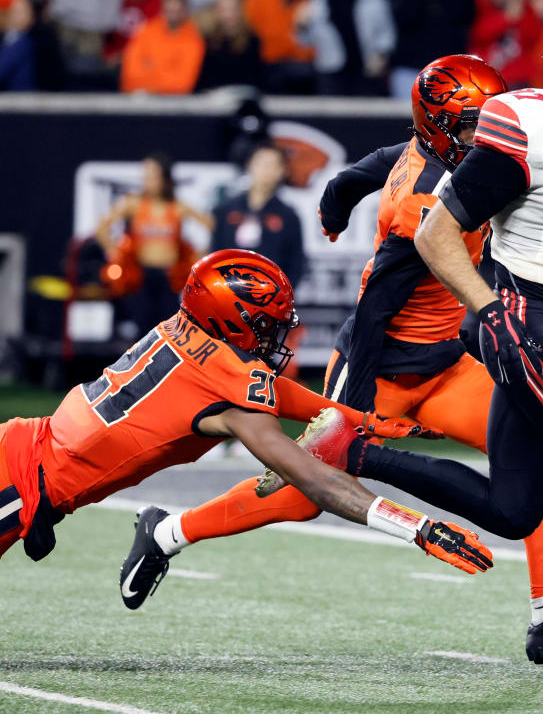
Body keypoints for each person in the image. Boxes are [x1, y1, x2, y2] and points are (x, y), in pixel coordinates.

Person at [139, 54, 543, 664]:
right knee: (309, 489)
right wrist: (353, 414)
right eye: (476, 126)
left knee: (535, 454)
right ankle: (167, 532)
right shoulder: (421, 207)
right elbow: (373, 314)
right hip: (382, 367)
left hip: (444, 363)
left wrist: (337, 199)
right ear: (441, 129)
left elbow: (372, 165)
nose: (492, 134)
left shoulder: (436, 152)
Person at [311, 0, 543, 663]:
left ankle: (356, 455)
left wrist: (335, 198)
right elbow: (424, 243)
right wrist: (487, 309)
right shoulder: (523, 125)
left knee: (515, 505)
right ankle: (186, 527)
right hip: (523, 320)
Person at [0, 249, 493, 601]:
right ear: (235, 321)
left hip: (28, 450)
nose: (278, 333)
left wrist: (360, 418)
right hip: (22, 480)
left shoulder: (187, 330)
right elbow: (315, 480)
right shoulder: (228, 387)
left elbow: (266, 391)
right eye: (268, 323)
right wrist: (419, 528)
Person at [96, 152, 212, 336]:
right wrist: (113, 251)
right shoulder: (133, 204)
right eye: (146, 176)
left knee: (171, 327)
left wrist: (197, 258)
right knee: (142, 325)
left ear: (165, 178)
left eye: (154, 176)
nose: (148, 181)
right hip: (141, 276)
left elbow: (212, 226)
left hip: (169, 277)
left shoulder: (177, 207)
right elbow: (102, 227)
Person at [295, 0, 396, 96]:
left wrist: (381, 56)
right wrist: (301, 25)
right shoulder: (317, 1)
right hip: (331, 73)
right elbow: (305, 42)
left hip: (367, 74)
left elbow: (387, 34)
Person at [210, 143, 306, 290]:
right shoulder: (225, 210)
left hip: (269, 296)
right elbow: (214, 253)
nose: (267, 170)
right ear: (250, 165)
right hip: (226, 293)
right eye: (262, 164)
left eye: (273, 165)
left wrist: (281, 295)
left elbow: (296, 262)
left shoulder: (288, 216)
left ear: (283, 171)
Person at [468, 0, 543, 89]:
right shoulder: (480, 4)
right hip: (484, 78)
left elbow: (533, 36)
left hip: (518, 79)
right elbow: (477, 35)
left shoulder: (526, 7)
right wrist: (507, 18)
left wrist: (518, 9)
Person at [243, 0, 315, 94]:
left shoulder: (306, 4)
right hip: (263, 65)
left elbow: (308, 48)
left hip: (296, 66)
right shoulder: (255, 1)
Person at [120, 0, 205, 95]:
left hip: (173, 105)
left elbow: (183, 84)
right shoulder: (146, 31)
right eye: (169, 9)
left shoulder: (194, 40)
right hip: (139, 99)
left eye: (177, 10)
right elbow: (129, 76)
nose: (172, 13)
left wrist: (150, 69)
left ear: (185, 11)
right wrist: (166, 73)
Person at [198, 0, 263, 91]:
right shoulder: (207, 41)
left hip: (242, 95)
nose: (229, 16)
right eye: (224, 10)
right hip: (213, 97)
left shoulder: (252, 41)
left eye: (233, 10)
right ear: (217, 12)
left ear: (240, 11)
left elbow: (254, 78)